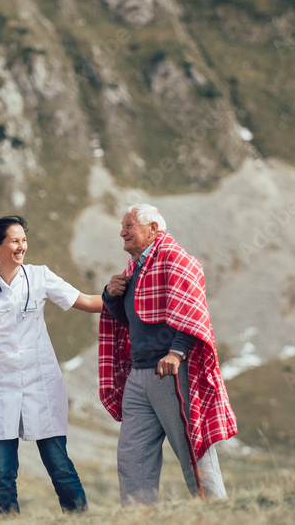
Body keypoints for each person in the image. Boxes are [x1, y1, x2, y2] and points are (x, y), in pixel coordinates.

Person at [0, 215, 103, 515]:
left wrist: (126, 293)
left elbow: (85, 301)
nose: (21, 246)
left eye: (23, 240)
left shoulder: (40, 276)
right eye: (14, 241)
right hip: (1, 387)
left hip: (41, 382)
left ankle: (80, 519)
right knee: (1, 475)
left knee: (59, 465)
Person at [99, 203, 237, 505]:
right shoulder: (135, 268)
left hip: (170, 370)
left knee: (192, 450)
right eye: (122, 226)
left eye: (129, 225)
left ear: (153, 229)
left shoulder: (176, 259)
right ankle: (139, 517)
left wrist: (176, 352)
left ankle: (218, 512)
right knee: (132, 456)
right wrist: (110, 296)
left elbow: (192, 312)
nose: (122, 232)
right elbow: (128, 319)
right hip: (140, 373)